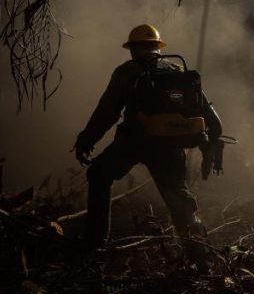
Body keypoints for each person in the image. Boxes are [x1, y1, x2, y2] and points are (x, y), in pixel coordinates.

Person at [72, 24, 222, 248]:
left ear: (133, 49)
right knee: (179, 199)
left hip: (133, 142)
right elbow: (212, 119)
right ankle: (201, 255)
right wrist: (209, 142)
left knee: (99, 175)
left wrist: (85, 141)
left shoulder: (126, 72)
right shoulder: (177, 71)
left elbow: (107, 112)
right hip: (171, 146)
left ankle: (95, 242)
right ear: (158, 48)